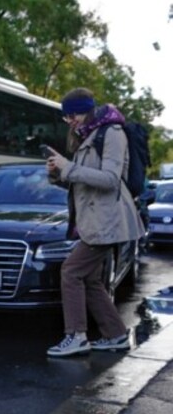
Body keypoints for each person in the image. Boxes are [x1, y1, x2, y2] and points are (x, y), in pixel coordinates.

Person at [45, 88, 144, 357]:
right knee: (90, 280)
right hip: (93, 219)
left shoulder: (111, 133)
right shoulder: (87, 135)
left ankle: (76, 336)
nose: (70, 121)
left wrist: (68, 167)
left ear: (87, 109)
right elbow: (81, 179)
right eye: (66, 117)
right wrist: (57, 173)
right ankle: (117, 335)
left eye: (73, 114)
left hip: (107, 220)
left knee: (71, 271)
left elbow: (110, 179)